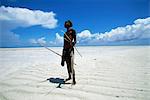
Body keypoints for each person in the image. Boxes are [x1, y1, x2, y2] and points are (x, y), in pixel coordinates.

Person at [61, 20, 76, 85]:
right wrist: (63, 55)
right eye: (65, 23)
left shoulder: (73, 31)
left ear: (70, 24)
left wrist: (73, 43)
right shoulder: (65, 34)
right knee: (67, 65)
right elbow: (64, 44)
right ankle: (69, 77)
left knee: (71, 65)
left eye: (68, 23)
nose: (66, 24)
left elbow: (75, 41)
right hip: (65, 50)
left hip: (70, 50)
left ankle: (74, 79)